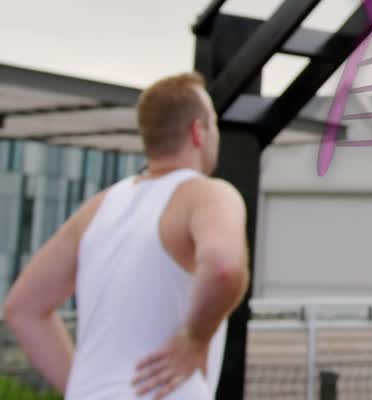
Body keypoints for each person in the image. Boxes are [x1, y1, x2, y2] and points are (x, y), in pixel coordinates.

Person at [3, 72, 249, 400]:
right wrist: (194, 337)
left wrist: (85, 387)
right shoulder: (206, 194)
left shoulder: (98, 208)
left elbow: (22, 308)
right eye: (213, 124)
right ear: (197, 131)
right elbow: (224, 267)